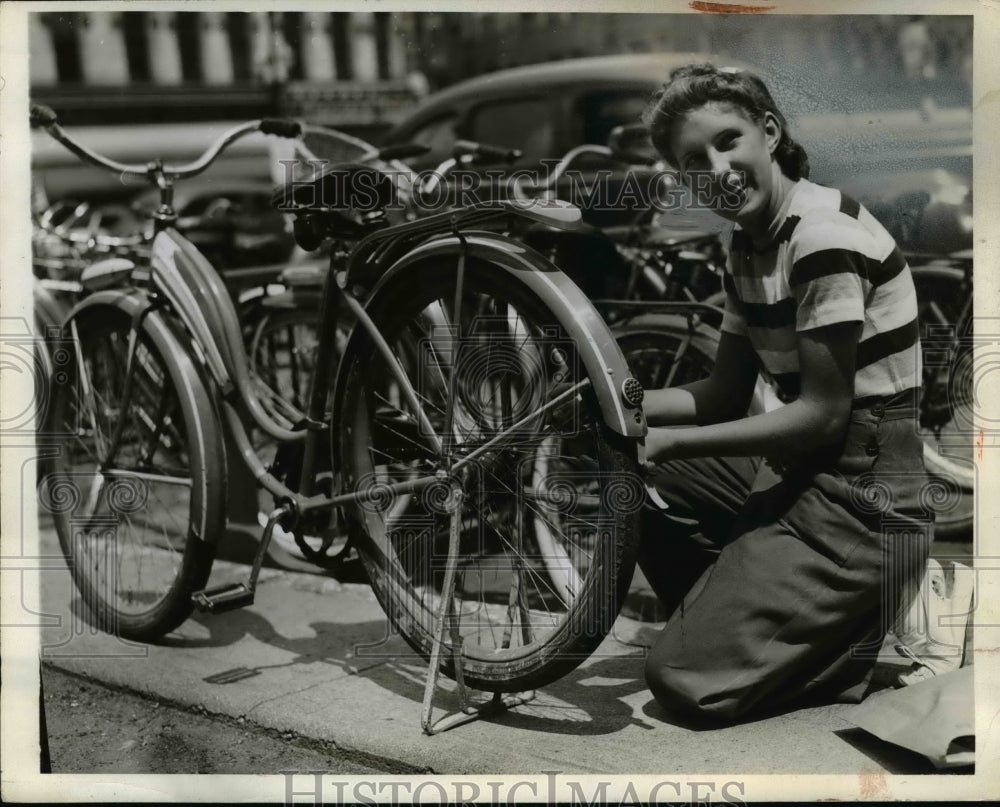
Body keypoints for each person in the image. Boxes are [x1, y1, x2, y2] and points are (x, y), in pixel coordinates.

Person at [636, 63, 932, 723]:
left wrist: (673, 440)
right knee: (625, 465)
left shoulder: (820, 235)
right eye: (691, 162)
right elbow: (720, 393)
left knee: (680, 679)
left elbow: (823, 417)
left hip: (867, 499)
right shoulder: (746, 245)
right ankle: (750, 610)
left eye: (727, 141)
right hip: (803, 476)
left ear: (769, 132)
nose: (714, 169)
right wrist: (608, 401)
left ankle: (844, 633)